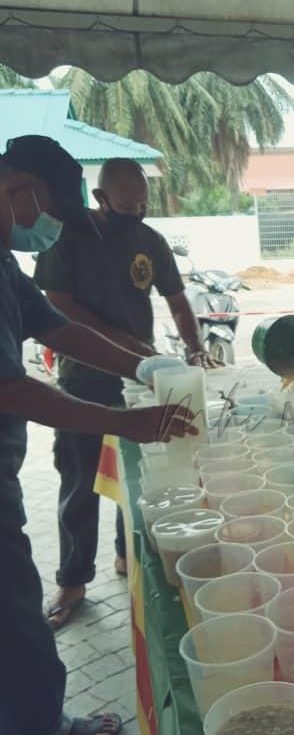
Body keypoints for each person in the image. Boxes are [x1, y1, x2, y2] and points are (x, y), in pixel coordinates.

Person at [0, 135, 194, 735]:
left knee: (14, 624)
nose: (49, 226)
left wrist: (140, 366)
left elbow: (53, 326)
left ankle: (44, 720)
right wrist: (121, 421)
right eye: (51, 210)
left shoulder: (3, 260)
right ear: (18, 190)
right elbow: (13, 389)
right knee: (17, 625)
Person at [33, 158, 217, 629]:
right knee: (81, 479)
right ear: (99, 199)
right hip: (85, 377)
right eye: (126, 205)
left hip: (142, 378)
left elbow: (177, 300)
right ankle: (73, 580)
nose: (136, 214)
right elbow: (58, 308)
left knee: (137, 476)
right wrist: (122, 343)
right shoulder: (68, 239)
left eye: (142, 205)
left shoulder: (149, 241)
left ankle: (124, 554)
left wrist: (196, 351)